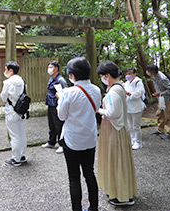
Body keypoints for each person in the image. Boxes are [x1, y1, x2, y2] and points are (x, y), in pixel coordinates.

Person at [57, 57, 101, 211]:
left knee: (74, 178)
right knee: (89, 173)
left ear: (72, 75)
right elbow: (95, 109)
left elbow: (61, 116)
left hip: (72, 139)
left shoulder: (68, 93)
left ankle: (77, 209)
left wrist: (60, 99)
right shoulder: (96, 89)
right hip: (90, 138)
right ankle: (93, 207)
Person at [96, 61, 138, 206]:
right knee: (119, 161)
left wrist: (99, 110)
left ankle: (121, 196)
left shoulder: (114, 91)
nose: (102, 78)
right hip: (117, 128)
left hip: (114, 129)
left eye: (102, 76)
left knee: (116, 161)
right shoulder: (118, 87)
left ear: (107, 75)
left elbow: (112, 113)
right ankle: (121, 191)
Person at [0, 61, 27, 167]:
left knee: (14, 136)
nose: (4, 71)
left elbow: (3, 97)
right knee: (21, 134)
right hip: (21, 111)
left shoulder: (8, 82)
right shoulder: (22, 81)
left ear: (10, 70)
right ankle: (22, 155)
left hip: (11, 112)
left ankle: (16, 159)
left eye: (6, 69)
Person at [42, 60, 68, 154]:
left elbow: (65, 92)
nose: (49, 69)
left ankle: (62, 144)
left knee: (58, 124)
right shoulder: (51, 78)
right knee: (51, 124)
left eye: (51, 67)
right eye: (49, 67)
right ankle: (51, 142)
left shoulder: (60, 80)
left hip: (57, 105)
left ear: (56, 69)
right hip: (50, 104)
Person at [146, 64, 170, 139]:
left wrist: (160, 93)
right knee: (160, 114)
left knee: (168, 115)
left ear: (151, 72)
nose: (147, 72)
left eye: (148, 71)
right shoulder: (155, 77)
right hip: (161, 98)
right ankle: (160, 130)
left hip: (168, 99)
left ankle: (169, 133)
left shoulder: (162, 78)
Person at [123, 67, 145, 149]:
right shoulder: (126, 83)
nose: (128, 76)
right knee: (130, 125)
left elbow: (138, 94)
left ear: (134, 74)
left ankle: (138, 142)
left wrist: (128, 94)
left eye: (129, 74)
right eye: (126, 74)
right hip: (128, 107)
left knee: (136, 125)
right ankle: (132, 139)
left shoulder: (138, 82)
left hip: (136, 107)